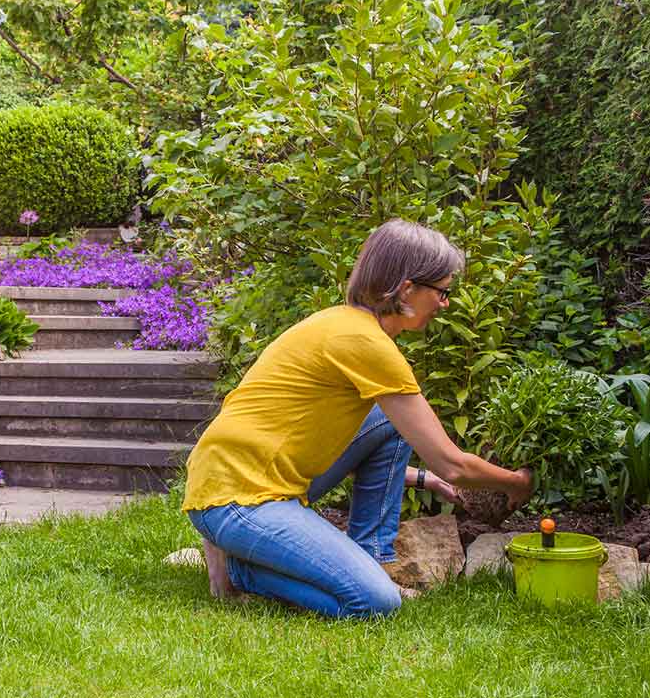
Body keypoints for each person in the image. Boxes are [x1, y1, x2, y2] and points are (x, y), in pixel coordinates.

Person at [183, 218, 533, 618]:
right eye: (442, 292)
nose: (445, 303)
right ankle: (242, 569)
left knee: (394, 424)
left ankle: (369, 560)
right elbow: (451, 463)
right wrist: (516, 482)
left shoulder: (343, 323)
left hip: (243, 475)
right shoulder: (366, 344)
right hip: (238, 497)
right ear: (407, 289)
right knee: (374, 602)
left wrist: (423, 479)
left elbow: (327, 442)